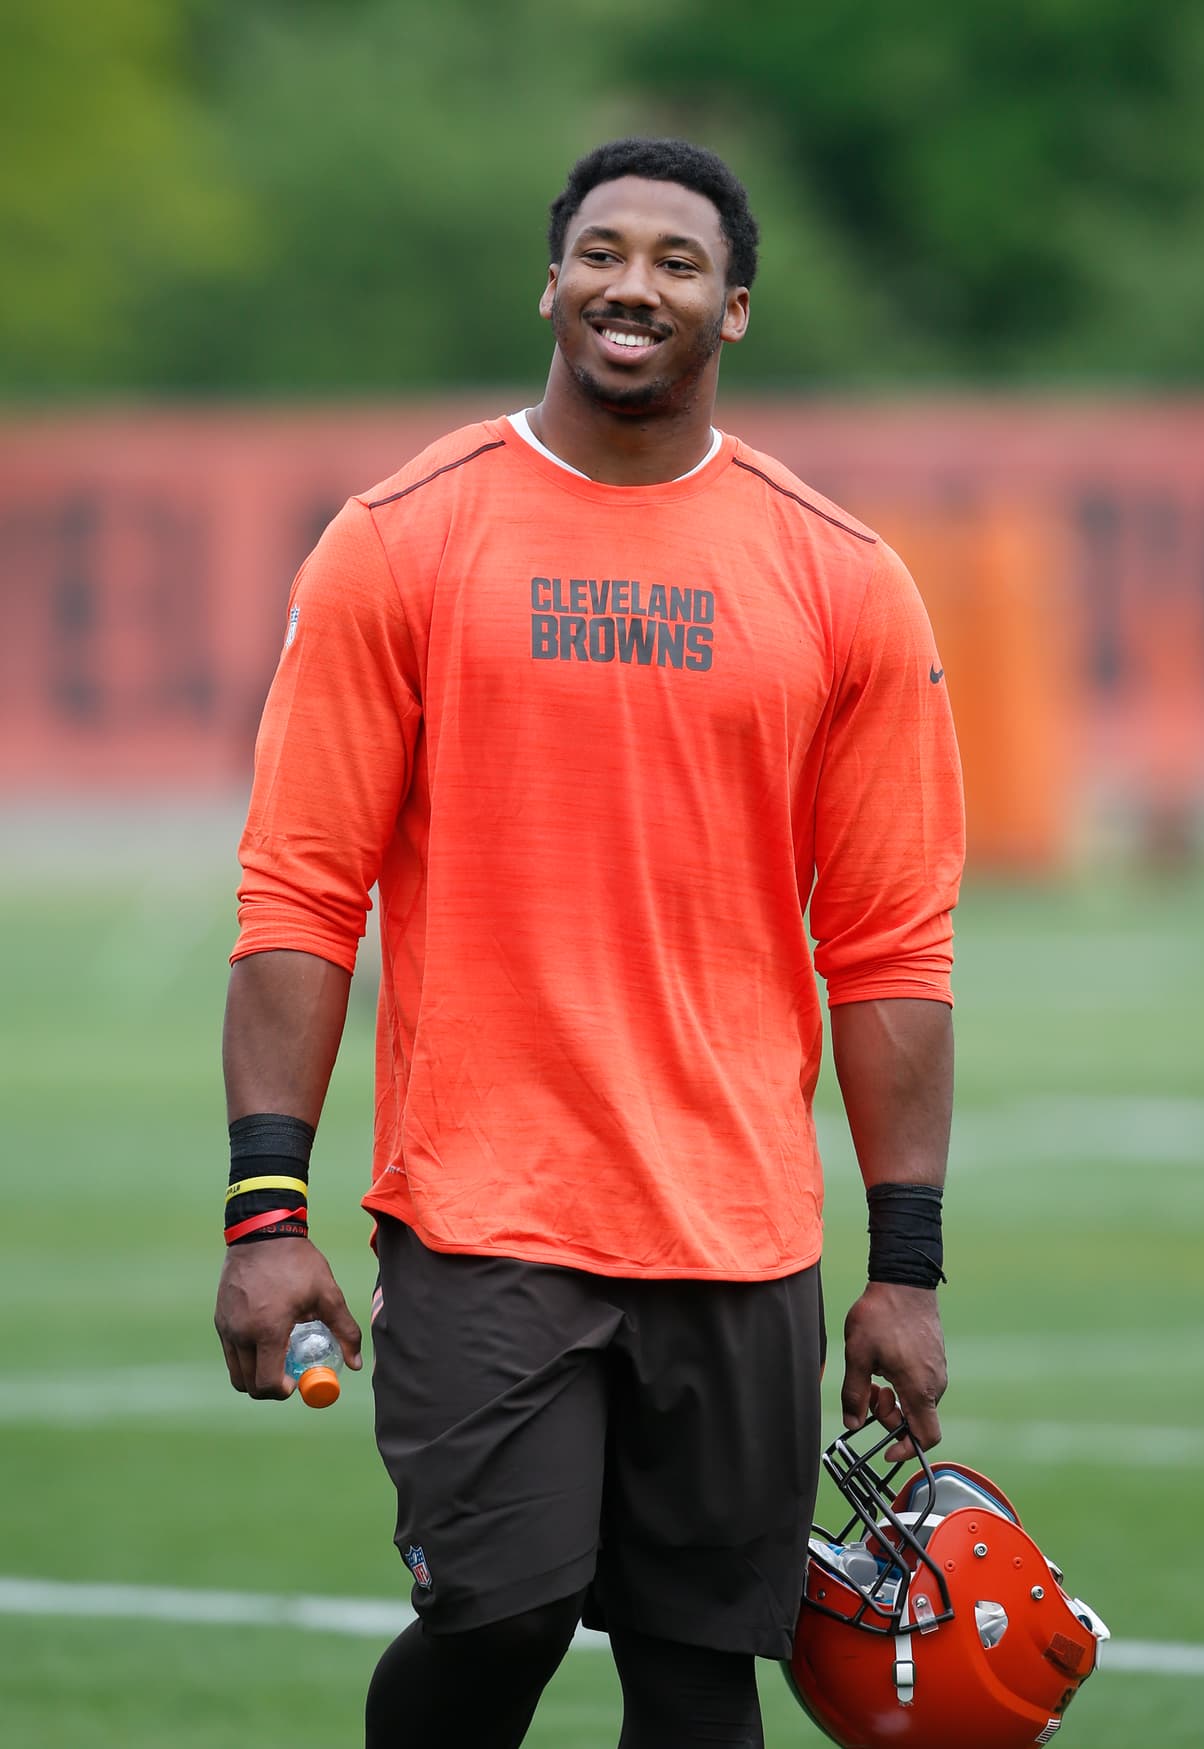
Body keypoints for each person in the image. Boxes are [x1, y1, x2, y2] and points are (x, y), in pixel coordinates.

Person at [214, 137, 964, 1748]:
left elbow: (894, 946)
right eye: (602, 253)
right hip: (488, 1216)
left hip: (741, 1232)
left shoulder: (844, 580)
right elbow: (299, 890)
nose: (635, 284)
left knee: (702, 1676)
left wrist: (905, 1268)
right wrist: (263, 1211)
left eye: (677, 261)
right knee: (504, 1611)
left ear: (736, 311)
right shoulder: (399, 539)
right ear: (550, 285)